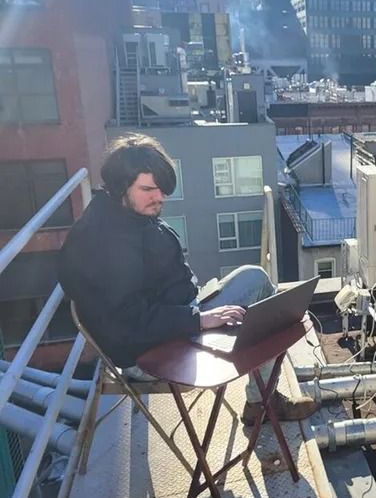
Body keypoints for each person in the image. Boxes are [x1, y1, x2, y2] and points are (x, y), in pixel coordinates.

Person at [57, 133, 318, 423]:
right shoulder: (107, 243)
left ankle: (260, 399)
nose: (159, 198)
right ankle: (262, 403)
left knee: (256, 281)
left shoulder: (122, 212)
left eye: (161, 190)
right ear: (120, 186)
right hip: (150, 351)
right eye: (148, 189)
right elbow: (129, 324)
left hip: (175, 317)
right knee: (268, 323)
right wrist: (199, 320)